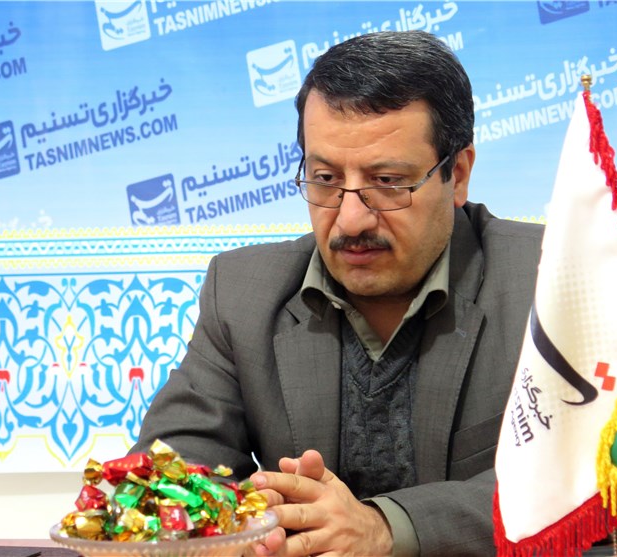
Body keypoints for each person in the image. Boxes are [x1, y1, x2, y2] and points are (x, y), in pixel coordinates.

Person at [132, 30, 543, 556]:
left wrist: (385, 527)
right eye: (325, 177)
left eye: (387, 181)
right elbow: (171, 469)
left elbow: (588, 481)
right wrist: (232, 523)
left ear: (457, 175)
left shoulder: (548, 282)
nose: (350, 219)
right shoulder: (241, 293)